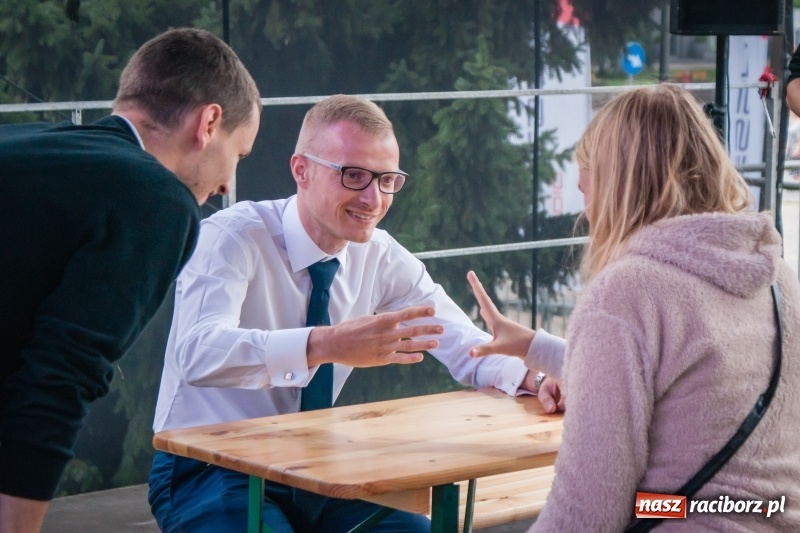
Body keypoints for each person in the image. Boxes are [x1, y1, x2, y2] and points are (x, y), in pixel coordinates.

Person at [148, 94, 559, 533]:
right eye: (355, 176)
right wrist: (325, 344)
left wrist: (535, 379)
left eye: (387, 180)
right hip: (206, 468)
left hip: (314, 462)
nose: (373, 198)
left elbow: (460, 341)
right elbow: (197, 352)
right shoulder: (232, 237)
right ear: (301, 170)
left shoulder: (379, 254)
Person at [467, 83, 800, 531]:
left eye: (588, 191)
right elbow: (686, 387)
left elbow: (589, 511)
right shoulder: (779, 280)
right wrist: (534, 347)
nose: (586, 213)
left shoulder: (626, 294)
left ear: (619, 190)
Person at [0, 28, 261, 533]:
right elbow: (61, 375)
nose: (228, 182)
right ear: (209, 123)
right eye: (239, 154)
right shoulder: (157, 199)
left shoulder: (28, 145)